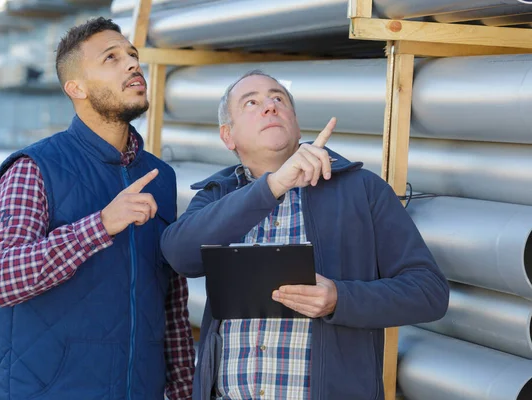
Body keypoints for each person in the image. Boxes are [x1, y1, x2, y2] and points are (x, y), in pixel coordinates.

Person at [160, 70, 450, 400]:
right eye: (251, 103)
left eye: (278, 99)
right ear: (229, 137)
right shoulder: (218, 195)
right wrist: (272, 186)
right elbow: (179, 254)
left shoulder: (362, 191)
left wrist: (340, 298)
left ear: (296, 125)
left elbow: (429, 292)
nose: (269, 107)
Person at [0, 17, 194, 400]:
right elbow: (1, 277)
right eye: (111, 58)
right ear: (75, 87)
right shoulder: (34, 167)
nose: (132, 64)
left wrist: (183, 390)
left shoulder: (160, 177)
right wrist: (100, 225)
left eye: (132, 54)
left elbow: (173, 304)